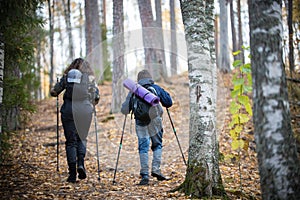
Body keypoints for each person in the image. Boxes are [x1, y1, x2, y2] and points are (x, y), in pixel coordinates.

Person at [50, 58, 100, 183]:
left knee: (71, 141)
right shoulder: (90, 79)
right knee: (82, 138)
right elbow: (96, 97)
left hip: (68, 111)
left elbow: (54, 92)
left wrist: (57, 86)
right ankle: (81, 164)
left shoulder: (67, 77)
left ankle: (72, 173)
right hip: (85, 111)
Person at [121, 69, 173, 185]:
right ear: (150, 78)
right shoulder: (156, 88)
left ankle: (144, 175)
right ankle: (156, 170)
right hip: (155, 121)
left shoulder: (134, 90)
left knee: (143, 147)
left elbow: (124, 110)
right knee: (157, 144)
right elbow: (169, 102)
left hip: (140, 121)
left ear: (138, 80)